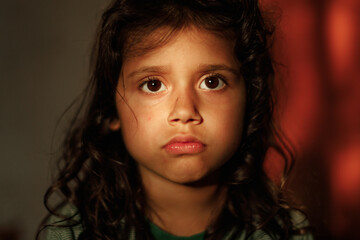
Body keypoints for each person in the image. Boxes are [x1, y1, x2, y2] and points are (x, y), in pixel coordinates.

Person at [38, 0, 314, 239]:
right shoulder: (73, 231)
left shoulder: (285, 232)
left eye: (212, 81)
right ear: (112, 110)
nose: (185, 111)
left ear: (250, 100)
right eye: (153, 85)